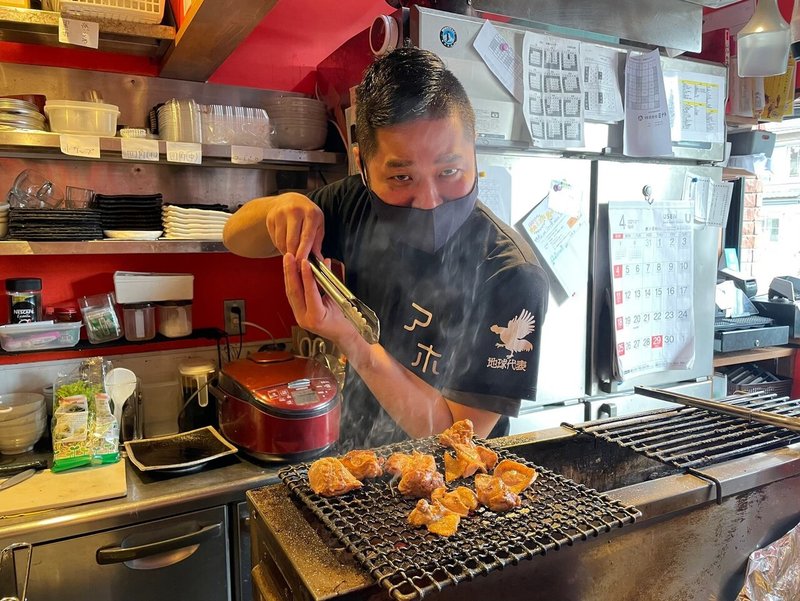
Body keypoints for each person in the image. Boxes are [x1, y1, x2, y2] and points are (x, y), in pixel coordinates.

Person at [223, 46, 549, 450]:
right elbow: (236, 238)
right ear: (363, 165)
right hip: (359, 465)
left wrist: (351, 339)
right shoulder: (354, 203)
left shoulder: (510, 275)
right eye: (401, 177)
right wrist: (279, 207)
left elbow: (454, 437)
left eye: (449, 171)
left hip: (452, 489)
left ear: (474, 148)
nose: (429, 200)